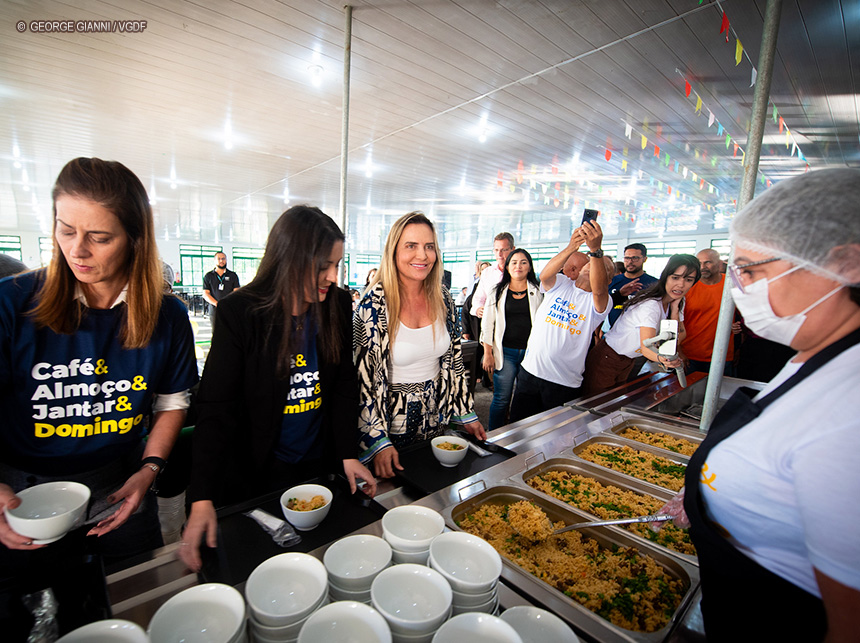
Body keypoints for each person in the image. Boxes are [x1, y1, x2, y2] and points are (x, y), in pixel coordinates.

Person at [657, 169, 860, 641]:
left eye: (752, 271)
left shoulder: (848, 412)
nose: (738, 288)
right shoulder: (814, 355)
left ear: (845, 265)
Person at [0, 157, 198, 562]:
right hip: (21, 495)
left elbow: (171, 401)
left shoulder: (168, 317)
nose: (77, 250)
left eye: (100, 237)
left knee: (130, 599)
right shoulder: (11, 303)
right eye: (66, 230)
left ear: (134, 239)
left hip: (120, 483)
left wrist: (149, 470)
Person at [180, 205, 376, 571]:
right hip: (258, 470)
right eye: (323, 266)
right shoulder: (241, 313)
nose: (333, 277)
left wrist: (348, 453)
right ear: (289, 259)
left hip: (318, 464)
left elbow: (342, 385)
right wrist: (202, 496)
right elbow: (216, 408)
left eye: (337, 265)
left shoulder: (336, 303)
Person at [354, 211, 485, 478]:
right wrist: (377, 440)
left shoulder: (443, 297)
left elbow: (454, 360)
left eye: (429, 247)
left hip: (437, 418)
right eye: (411, 246)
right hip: (391, 425)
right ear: (393, 251)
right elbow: (364, 381)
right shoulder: (374, 304)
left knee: (436, 487)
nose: (422, 256)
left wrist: (465, 413)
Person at [508, 221, 610, 421]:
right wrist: (572, 246)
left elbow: (598, 289)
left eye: (603, 267)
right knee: (518, 425)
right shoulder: (563, 284)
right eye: (590, 263)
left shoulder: (598, 301)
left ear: (607, 278)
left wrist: (596, 251)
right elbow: (544, 275)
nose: (594, 265)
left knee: (552, 435)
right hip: (531, 371)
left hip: (562, 382)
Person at [582, 254, 699, 396]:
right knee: (597, 403)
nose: (681, 285)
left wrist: (674, 311)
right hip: (608, 357)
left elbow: (678, 337)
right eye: (675, 277)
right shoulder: (651, 305)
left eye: (688, 280)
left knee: (614, 401)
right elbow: (646, 347)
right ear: (666, 276)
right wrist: (663, 359)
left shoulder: (678, 301)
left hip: (628, 359)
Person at [480, 249, 543, 430]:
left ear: (529, 266)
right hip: (505, 352)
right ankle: (494, 436)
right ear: (507, 267)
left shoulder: (538, 291)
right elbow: (487, 324)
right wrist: (487, 353)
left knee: (526, 398)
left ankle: (521, 436)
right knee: (502, 398)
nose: (518, 266)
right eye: (514, 262)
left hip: (530, 353)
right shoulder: (497, 292)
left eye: (523, 262)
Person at [680, 249, 736, 374]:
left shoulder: (732, 284)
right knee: (689, 392)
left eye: (708, 262)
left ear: (720, 264)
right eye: (699, 263)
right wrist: (678, 351)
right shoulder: (687, 286)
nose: (702, 267)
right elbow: (676, 321)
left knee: (722, 392)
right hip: (690, 355)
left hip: (722, 355)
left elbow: (742, 317)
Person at [607, 243, 658, 326]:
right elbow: (602, 307)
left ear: (644, 259)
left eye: (635, 258)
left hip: (641, 332)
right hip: (613, 332)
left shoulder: (654, 284)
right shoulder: (612, 281)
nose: (630, 262)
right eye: (627, 258)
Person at [470, 232, 515, 319]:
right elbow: (478, 298)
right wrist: (478, 309)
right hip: (492, 322)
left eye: (504, 250)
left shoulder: (518, 271)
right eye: (496, 250)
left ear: (512, 249)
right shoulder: (487, 272)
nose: (499, 254)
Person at [202, 252, 240, 324]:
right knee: (216, 332)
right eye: (219, 259)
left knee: (230, 331)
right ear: (214, 260)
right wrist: (218, 304)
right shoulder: (209, 276)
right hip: (214, 309)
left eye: (223, 259)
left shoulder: (233, 275)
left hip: (229, 308)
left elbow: (236, 292)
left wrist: (227, 304)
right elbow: (205, 294)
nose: (221, 261)